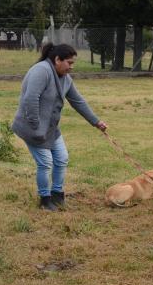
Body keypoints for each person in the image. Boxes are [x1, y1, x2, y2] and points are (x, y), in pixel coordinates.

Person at [11, 43, 108, 211]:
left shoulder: (65, 79)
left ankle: (57, 195)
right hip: (32, 129)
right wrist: (35, 125)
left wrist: (96, 122)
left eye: (72, 63)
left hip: (50, 130)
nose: (71, 67)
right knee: (45, 163)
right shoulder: (41, 71)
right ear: (57, 60)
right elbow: (30, 98)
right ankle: (45, 200)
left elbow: (78, 101)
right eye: (69, 63)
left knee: (62, 158)